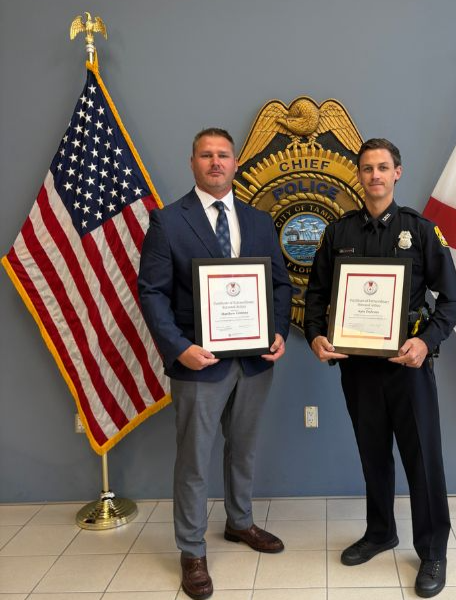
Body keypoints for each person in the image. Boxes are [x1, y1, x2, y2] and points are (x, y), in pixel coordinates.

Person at [304, 138, 456, 598]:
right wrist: (316, 335)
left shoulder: (420, 231)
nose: (374, 175)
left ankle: (433, 549)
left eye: (382, 168)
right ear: (359, 175)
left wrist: (425, 341)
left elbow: (452, 299)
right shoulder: (339, 234)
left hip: (408, 365)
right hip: (357, 366)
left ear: (397, 173)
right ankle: (380, 532)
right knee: (372, 453)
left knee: (422, 459)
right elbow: (315, 296)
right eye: (366, 168)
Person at [138, 128, 292, 600]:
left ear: (236, 162)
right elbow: (152, 292)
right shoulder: (168, 221)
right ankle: (191, 550)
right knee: (193, 462)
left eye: (223, 155)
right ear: (192, 163)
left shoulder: (258, 220)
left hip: (253, 362)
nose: (215, 163)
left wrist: (279, 330)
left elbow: (280, 286)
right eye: (206, 155)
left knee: (242, 450)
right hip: (198, 362)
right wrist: (178, 346)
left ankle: (240, 523)